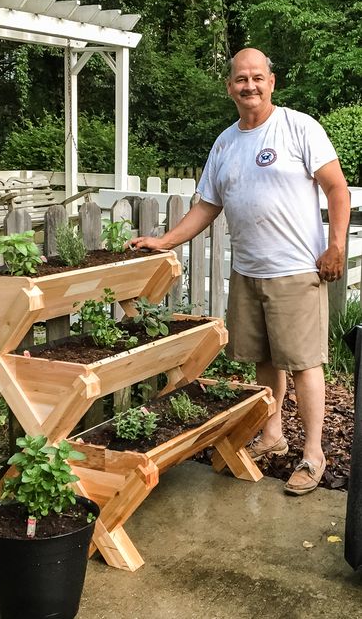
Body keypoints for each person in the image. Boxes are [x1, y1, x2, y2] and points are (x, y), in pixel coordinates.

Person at [130, 47, 350, 495]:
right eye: (240, 79)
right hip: (249, 271)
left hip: (296, 271)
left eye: (257, 77)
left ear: (272, 81)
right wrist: (165, 241)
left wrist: (336, 246)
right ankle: (272, 434)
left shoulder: (299, 127)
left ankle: (313, 453)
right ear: (229, 86)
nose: (249, 85)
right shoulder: (226, 142)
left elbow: (337, 188)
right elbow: (207, 205)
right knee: (264, 361)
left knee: (305, 363)